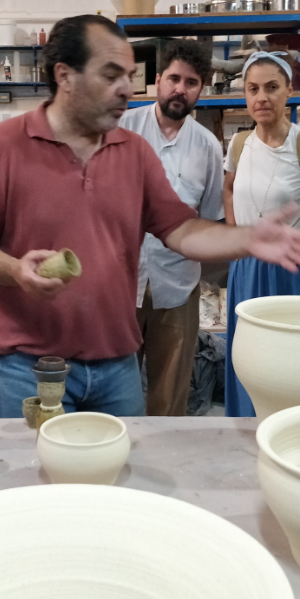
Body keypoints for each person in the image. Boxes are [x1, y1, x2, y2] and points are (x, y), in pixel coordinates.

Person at [0, 15, 300, 419]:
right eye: (111, 75)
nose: (126, 88)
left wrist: (246, 238)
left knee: (129, 457)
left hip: (115, 364)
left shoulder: (134, 152)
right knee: (35, 461)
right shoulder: (4, 147)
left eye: (129, 75)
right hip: (31, 366)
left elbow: (180, 230)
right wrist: (14, 270)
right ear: (65, 76)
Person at [222, 51, 300, 417]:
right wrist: (236, 234)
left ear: (289, 91)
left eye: (272, 87)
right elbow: (229, 187)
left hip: (294, 274)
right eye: (253, 89)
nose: (262, 97)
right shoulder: (239, 144)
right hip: (246, 272)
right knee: (249, 368)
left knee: (297, 372)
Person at [119, 39, 223, 417]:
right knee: (115, 391)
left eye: (191, 82)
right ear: (159, 80)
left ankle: (162, 452)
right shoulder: (122, 130)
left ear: (201, 89)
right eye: (174, 79)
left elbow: (208, 220)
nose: (181, 89)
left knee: (170, 395)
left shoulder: (208, 147)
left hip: (178, 287)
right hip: (120, 284)